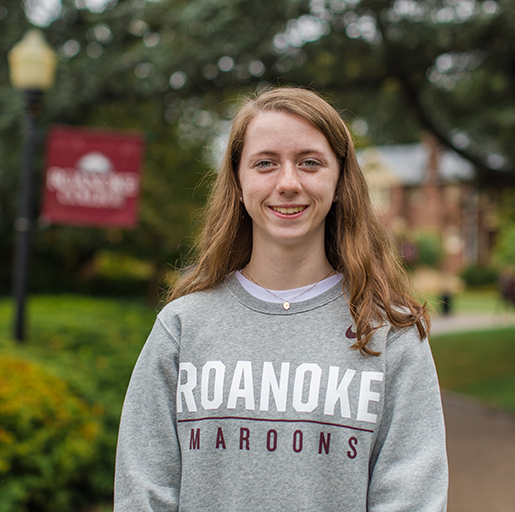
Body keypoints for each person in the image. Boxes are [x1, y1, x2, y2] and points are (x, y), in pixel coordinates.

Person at [114, 87, 448, 511]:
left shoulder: (391, 334)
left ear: (340, 181)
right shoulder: (182, 327)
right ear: (238, 181)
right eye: (265, 163)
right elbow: (143, 493)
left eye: (310, 163)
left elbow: (411, 497)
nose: (288, 183)